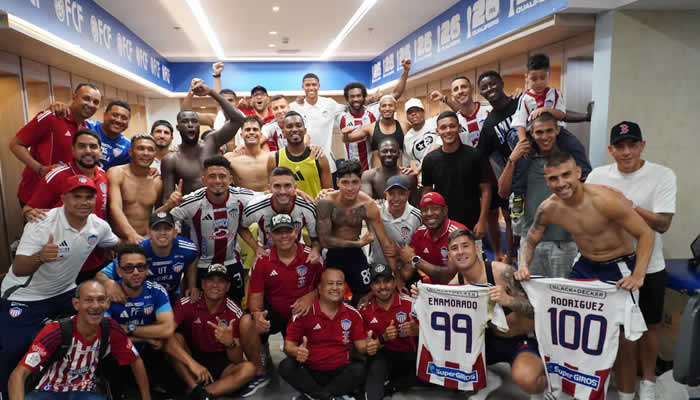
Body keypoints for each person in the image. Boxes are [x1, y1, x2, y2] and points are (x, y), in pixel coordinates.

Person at [513, 150, 655, 400]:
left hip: (618, 268)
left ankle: (625, 396)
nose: (561, 183)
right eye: (553, 178)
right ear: (547, 181)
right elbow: (530, 239)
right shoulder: (549, 208)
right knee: (569, 328)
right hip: (585, 265)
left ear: (578, 173)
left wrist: (639, 274)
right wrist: (524, 264)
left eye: (566, 175)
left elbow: (646, 233)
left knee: (624, 340)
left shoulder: (605, 200)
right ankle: (569, 388)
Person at [0, 175, 120, 398]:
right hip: (25, 296)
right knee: (14, 350)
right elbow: (18, 269)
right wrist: (40, 257)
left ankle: (93, 384)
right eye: (77, 196)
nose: (83, 202)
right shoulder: (42, 223)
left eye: (89, 197)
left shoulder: (98, 226)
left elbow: (119, 245)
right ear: (64, 198)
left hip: (65, 292)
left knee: (102, 325)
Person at [586, 121, 677, 400]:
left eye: (632, 145)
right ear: (611, 149)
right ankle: (625, 392)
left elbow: (662, 224)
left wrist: (628, 206)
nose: (627, 152)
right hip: (610, 265)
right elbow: (588, 216)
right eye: (620, 146)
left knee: (650, 328)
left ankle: (648, 382)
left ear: (642, 146)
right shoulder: (598, 176)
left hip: (650, 265)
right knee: (622, 332)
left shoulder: (662, 175)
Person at [444, 229, 546, 397]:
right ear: (449, 255)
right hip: (489, 340)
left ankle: (548, 384)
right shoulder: (454, 285)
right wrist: (421, 299)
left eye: (465, 246)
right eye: (454, 248)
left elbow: (539, 312)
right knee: (449, 359)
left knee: (528, 379)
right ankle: (485, 376)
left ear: (476, 249)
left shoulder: (502, 273)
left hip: (522, 338)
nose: (460, 252)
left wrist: (509, 301)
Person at [8, 280, 151, 400]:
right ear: (76, 304)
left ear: (107, 303)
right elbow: (18, 374)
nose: (95, 306)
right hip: (47, 392)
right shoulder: (55, 331)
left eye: (101, 300)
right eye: (88, 300)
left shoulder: (111, 329)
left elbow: (135, 361)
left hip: (85, 393)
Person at [238, 213, 324, 395]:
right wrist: (257, 315)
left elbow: (327, 286)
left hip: (300, 314)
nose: (284, 236)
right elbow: (255, 298)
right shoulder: (262, 260)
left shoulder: (311, 256)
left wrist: (312, 295)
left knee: (304, 363)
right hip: (274, 312)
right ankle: (260, 369)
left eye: (288, 231)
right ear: (270, 236)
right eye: (278, 232)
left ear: (296, 233)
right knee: (247, 322)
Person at [498, 113, 587, 277]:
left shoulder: (569, 158)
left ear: (557, 130)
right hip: (530, 242)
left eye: (549, 131)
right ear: (532, 133)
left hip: (564, 243)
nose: (545, 137)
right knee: (530, 291)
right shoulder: (525, 159)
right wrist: (512, 159)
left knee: (562, 291)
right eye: (539, 132)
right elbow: (503, 192)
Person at [170, 155, 256, 303]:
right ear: (204, 180)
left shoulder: (242, 196)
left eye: (222, 176)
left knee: (235, 307)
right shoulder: (191, 201)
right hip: (201, 266)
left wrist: (295, 193)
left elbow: (270, 198)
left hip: (231, 263)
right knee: (198, 308)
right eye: (212, 176)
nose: (217, 181)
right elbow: (160, 220)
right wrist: (169, 205)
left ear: (230, 179)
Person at [166, 264, 255, 400]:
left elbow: (237, 360)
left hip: (220, 361)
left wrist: (230, 343)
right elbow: (165, 336)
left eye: (221, 281)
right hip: (191, 357)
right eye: (210, 280)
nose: (215, 285)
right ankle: (194, 388)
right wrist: (193, 364)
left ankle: (200, 395)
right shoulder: (187, 303)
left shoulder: (234, 311)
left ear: (227, 287)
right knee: (175, 338)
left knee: (248, 369)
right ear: (202, 284)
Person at [278, 267, 370, 400]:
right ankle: (330, 396)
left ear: (345, 288)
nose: (335, 288)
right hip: (311, 370)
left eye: (339, 284)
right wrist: (296, 351)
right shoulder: (303, 313)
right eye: (330, 283)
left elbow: (361, 347)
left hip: (340, 370)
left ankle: (314, 396)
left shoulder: (353, 314)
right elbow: (288, 346)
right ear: (320, 289)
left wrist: (375, 343)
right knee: (286, 366)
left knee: (360, 369)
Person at [317, 160, 398, 301]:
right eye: (345, 182)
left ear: (360, 182)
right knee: (330, 293)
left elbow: (385, 242)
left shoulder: (367, 205)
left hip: (355, 253)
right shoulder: (326, 203)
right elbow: (324, 241)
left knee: (365, 293)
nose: (350, 188)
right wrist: (358, 243)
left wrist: (396, 276)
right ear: (337, 182)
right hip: (332, 252)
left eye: (354, 182)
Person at [10, 82, 101, 206]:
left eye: (96, 102)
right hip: (37, 195)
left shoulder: (86, 129)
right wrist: (40, 169)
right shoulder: (52, 117)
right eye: (86, 98)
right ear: (74, 97)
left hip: (65, 198)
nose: (90, 104)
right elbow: (16, 144)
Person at [104, 244, 175, 397]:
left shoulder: (156, 290)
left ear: (147, 269)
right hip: (116, 357)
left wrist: (128, 328)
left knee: (166, 342)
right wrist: (146, 337)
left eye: (140, 267)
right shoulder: (106, 295)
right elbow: (108, 335)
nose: (136, 272)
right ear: (119, 271)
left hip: (146, 354)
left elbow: (167, 329)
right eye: (128, 268)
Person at [161, 79, 245, 201]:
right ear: (178, 127)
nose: (190, 125)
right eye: (185, 122)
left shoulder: (211, 143)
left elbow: (238, 120)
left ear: (199, 125)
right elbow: (167, 198)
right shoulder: (171, 159)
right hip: (191, 209)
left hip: (221, 205)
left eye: (194, 121)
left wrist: (212, 93)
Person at [98, 211, 199, 303]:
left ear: (175, 233)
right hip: (141, 301)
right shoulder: (137, 252)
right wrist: (108, 283)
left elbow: (193, 258)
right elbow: (100, 275)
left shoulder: (187, 248)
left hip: (172, 297)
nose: (162, 233)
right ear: (148, 233)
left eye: (167, 229)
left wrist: (192, 285)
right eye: (156, 229)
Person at [421, 111, 490, 236]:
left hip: (472, 224)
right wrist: (429, 220)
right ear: (437, 131)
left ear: (459, 128)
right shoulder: (429, 160)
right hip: (442, 225)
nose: (448, 131)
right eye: (443, 127)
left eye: (452, 126)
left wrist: (482, 220)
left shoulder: (475, 156)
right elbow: (427, 193)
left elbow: (486, 190)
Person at [360, 263, 420, 400]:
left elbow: (433, 336)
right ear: (371, 286)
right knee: (374, 367)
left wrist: (418, 331)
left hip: (409, 355)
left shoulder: (411, 304)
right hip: (383, 357)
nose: (382, 286)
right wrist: (383, 338)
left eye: (386, 281)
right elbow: (365, 347)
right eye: (377, 282)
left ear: (394, 283)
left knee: (430, 371)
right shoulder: (364, 310)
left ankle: (392, 386)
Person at [108, 135, 182, 243]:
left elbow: (155, 216)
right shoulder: (116, 173)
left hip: (144, 239)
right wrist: (131, 234)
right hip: (118, 240)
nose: (146, 153)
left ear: (155, 154)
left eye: (150, 150)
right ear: (130, 152)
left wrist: (169, 205)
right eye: (141, 148)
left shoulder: (157, 182)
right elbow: (115, 207)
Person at [339, 61, 410, 171]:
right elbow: (345, 139)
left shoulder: (373, 111)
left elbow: (396, 94)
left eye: (358, 96)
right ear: (347, 99)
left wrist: (405, 71)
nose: (356, 99)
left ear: (364, 97)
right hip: (352, 169)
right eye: (352, 97)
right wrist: (344, 135)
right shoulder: (341, 116)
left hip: (371, 167)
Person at [242, 167, 320, 259]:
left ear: (295, 187)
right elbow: (241, 226)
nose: (282, 191)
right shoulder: (256, 207)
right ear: (269, 188)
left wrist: (315, 249)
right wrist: (256, 248)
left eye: (287, 185)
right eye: (277, 186)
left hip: (297, 251)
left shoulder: (307, 207)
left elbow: (315, 238)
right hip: (267, 253)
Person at [400, 192, 467, 284]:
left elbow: (448, 277)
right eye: (425, 210)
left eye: (435, 208)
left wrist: (415, 259)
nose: (429, 213)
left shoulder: (458, 234)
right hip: (430, 289)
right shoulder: (419, 233)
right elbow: (407, 272)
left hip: (457, 289)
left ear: (445, 211)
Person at [368, 176, 422, 283]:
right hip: (375, 268)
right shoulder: (375, 210)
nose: (396, 198)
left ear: (408, 194)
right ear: (385, 195)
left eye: (401, 193)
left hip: (402, 271)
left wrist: (398, 251)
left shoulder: (417, 217)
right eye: (391, 194)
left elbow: (416, 249)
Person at [267, 111, 333, 199]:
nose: (294, 129)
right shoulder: (274, 159)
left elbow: (329, 193)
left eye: (298, 125)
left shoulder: (319, 157)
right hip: (285, 207)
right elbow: (269, 191)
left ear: (305, 130)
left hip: (314, 207)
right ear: (283, 133)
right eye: (289, 126)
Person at [342, 95, 409, 169]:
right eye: (384, 106)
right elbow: (347, 140)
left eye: (390, 105)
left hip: (398, 174)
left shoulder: (404, 127)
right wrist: (345, 134)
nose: (387, 109)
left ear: (395, 108)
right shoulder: (371, 128)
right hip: (378, 175)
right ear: (379, 109)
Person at [512, 54, 566, 143]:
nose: (539, 83)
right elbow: (520, 122)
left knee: (575, 147)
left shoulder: (555, 94)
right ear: (527, 78)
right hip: (534, 136)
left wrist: (546, 110)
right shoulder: (525, 98)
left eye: (543, 78)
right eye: (534, 79)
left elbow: (562, 115)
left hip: (557, 134)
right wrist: (523, 140)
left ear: (549, 75)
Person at [361, 137, 417, 202]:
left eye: (393, 151)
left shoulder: (408, 176)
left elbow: (414, 203)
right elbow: (367, 202)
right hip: (377, 208)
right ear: (378, 154)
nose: (389, 154)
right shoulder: (368, 176)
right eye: (384, 151)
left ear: (399, 154)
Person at [224, 116, 270, 192]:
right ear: (241, 134)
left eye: (255, 129)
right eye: (247, 130)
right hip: (242, 198)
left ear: (261, 134)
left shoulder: (271, 157)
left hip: (266, 198)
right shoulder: (230, 158)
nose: (251, 132)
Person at [401, 98, 439, 175]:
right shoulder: (407, 139)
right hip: (425, 176)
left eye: (417, 110)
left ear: (423, 112)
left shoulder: (435, 122)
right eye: (410, 112)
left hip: (444, 169)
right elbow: (406, 163)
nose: (413, 114)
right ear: (407, 117)